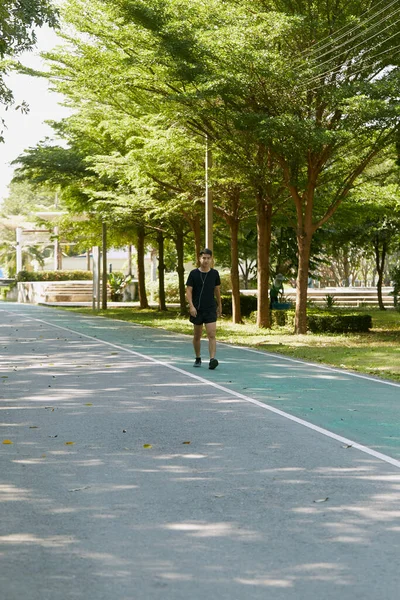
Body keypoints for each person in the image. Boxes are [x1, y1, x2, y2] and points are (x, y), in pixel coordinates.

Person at [186, 248, 222, 370]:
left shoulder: (215, 274)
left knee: (212, 334)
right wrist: (191, 306)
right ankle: (198, 357)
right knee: (197, 335)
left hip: (210, 308)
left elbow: (217, 290)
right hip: (197, 309)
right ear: (199, 259)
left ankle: (212, 359)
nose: (206, 260)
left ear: (211, 259)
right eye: (204, 258)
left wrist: (219, 305)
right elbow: (189, 291)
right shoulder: (193, 274)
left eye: (208, 258)